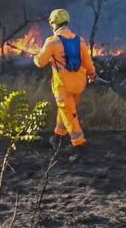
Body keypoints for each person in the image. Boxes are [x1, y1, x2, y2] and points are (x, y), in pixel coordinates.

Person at [33, 9, 97, 149]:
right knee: (67, 109)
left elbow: (40, 62)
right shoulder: (79, 40)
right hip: (79, 84)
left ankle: (79, 144)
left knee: (70, 114)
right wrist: (92, 76)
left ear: (53, 24)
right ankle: (58, 137)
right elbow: (88, 63)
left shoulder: (52, 42)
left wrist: (36, 57)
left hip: (63, 86)